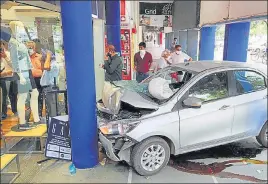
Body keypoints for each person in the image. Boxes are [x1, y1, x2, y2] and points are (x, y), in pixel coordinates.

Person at [0, 40, 18, 120]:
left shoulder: (8, 54)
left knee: (13, 95)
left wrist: (5, 57)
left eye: (1, 46)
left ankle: (15, 110)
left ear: (3, 46)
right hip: (3, 78)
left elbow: (14, 65)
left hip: (12, 76)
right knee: (4, 96)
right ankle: (3, 113)